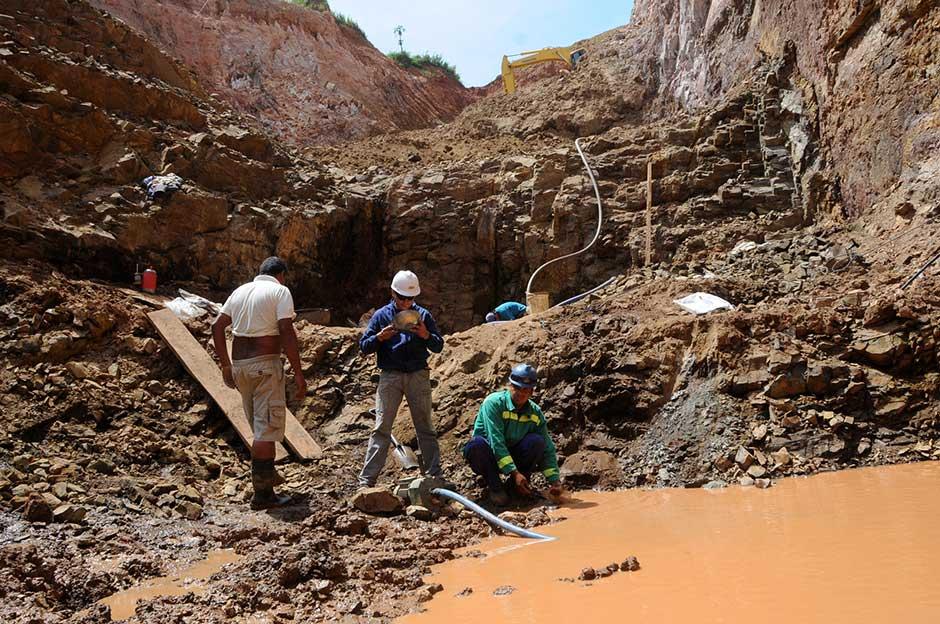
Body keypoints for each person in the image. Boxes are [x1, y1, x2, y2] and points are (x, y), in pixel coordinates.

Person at [212, 257, 306, 510]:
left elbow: (217, 326)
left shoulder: (240, 291)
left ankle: (266, 480)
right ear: (281, 275)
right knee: (265, 432)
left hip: (240, 367)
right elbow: (286, 330)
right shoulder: (280, 291)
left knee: (259, 429)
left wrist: (225, 365)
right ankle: (263, 495)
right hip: (265, 366)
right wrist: (298, 373)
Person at [358, 270, 445, 487]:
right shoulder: (381, 316)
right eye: (402, 298)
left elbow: (438, 345)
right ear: (393, 293)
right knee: (381, 428)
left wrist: (425, 335)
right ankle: (367, 481)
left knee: (425, 427)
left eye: (410, 298)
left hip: (418, 374)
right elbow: (364, 346)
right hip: (390, 375)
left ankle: (435, 476)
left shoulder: (423, 315)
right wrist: (380, 337)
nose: (406, 302)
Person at [463, 363, 563, 506]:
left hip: (514, 455)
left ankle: (516, 486)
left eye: (525, 390)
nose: (521, 393)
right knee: (476, 445)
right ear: (510, 385)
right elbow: (496, 440)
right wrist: (514, 472)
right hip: (489, 455)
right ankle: (495, 486)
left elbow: (547, 448)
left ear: (532, 392)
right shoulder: (494, 403)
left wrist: (555, 481)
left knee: (537, 441)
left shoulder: (535, 413)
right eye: (517, 387)